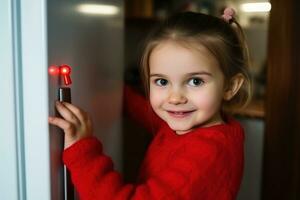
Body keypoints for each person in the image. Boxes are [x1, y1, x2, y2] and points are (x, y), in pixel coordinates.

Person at [49, 8, 252, 200]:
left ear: (230, 87)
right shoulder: (192, 123)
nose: (175, 98)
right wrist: (114, 91)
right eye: (162, 81)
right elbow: (149, 114)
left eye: (195, 81)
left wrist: (83, 151)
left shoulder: (208, 154)